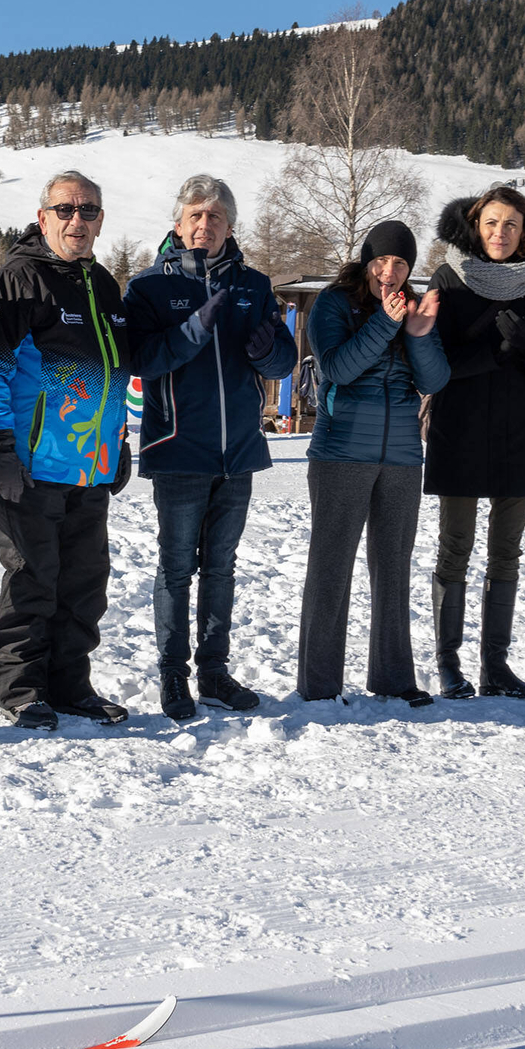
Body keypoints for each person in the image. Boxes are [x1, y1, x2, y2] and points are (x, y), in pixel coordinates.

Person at [121, 174, 294, 719]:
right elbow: (139, 360)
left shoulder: (254, 284)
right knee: (176, 568)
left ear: (229, 226)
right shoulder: (147, 287)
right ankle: (174, 678)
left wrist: (270, 355)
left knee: (221, 567)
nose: (204, 224)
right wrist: (189, 334)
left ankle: (214, 673)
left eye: (215, 216)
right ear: (178, 224)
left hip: (237, 450)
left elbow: (285, 363)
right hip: (178, 448)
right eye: (195, 215)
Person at [0, 170, 138, 729]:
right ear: (43, 217)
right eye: (66, 210)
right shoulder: (20, 280)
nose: (78, 220)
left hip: (90, 467)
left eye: (89, 210)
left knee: (85, 582)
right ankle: (19, 685)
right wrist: (0, 448)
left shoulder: (106, 286)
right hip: (31, 465)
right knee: (33, 578)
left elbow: (114, 376)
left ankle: (70, 684)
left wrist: (116, 444)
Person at [297, 221, 449, 707]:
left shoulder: (411, 308)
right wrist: (385, 322)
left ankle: (393, 678)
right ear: (366, 262)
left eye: (401, 264)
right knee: (331, 569)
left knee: (393, 569)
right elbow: (337, 368)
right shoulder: (333, 303)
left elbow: (435, 381)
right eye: (381, 261)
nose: (390, 271)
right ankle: (319, 686)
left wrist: (420, 334)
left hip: (403, 455)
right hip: (341, 452)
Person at [423, 189, 525, 699]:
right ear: (474, 225)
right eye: (490, 223)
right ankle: (448, 663)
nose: (499, 233)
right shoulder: (447, 279)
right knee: (454, 549)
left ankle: (495, 666)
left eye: (511, 224)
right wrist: (496, 351)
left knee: (506, 553)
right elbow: (435, 366)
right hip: (459, 431)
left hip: (519, 434)